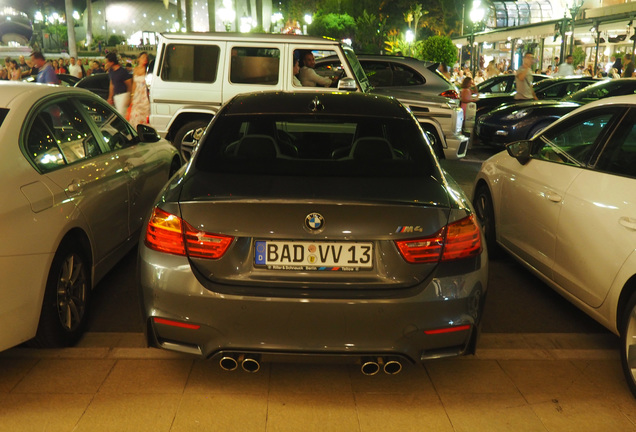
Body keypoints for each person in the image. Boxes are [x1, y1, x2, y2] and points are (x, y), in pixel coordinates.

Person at [105, 52, 132, 117]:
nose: (106, 64)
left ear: (112, 62)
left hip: (123, 95)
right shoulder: (111, 71)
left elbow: (129, 85)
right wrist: (110, 97)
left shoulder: (122, 72)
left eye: (107, 62)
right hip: (116, 96)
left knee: (122, 115)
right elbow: (112, 84)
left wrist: (130, 97)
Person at [129, 52, 151, 128]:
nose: (145, 59)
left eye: (146, 58)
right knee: (135, 111)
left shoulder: (148, 70)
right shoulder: (135, 69)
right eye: (143, 57)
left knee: (145, 112)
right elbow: (134, 83)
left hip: (144, 94)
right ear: (139, 59)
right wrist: (132, 95)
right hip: (137, 94)